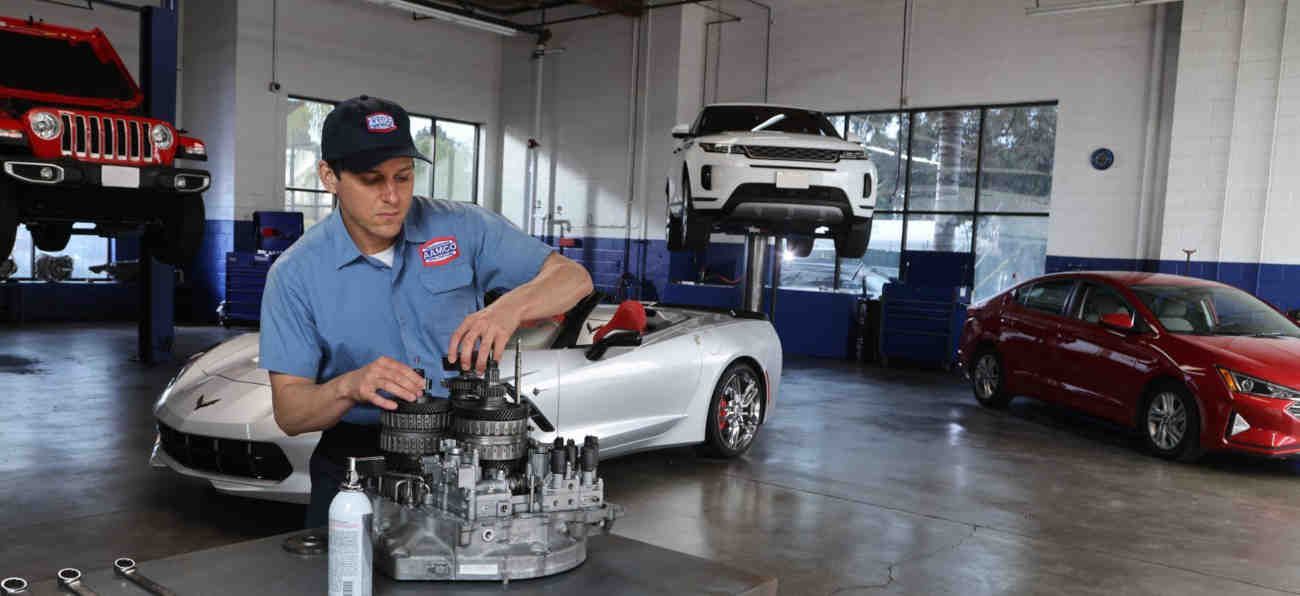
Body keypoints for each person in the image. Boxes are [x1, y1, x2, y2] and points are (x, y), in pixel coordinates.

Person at [258, 95, 593, 527]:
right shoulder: (296, 275)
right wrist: (350, 386)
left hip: (469, 457)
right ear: (329, 176)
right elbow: (290, 412)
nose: (393, 196)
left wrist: (510, 307)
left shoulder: (463, 228)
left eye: (404, 176)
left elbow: (574, 279)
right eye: (371, 179)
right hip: (357, 466)